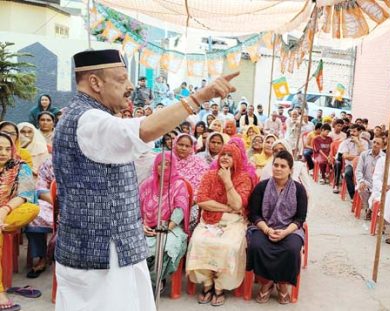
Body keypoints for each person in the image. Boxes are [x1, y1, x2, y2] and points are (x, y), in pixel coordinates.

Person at [53, 49, 238, 311]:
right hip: (101, 255)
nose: (130, 87)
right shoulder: (89, 119)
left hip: (110, 249)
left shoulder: (85, 115)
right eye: (120, 80)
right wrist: (201, 96)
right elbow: (145, 129)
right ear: (95, 83)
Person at [187, 143, 252, 306]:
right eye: (223, 154)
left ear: (236, 158)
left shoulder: (244, 177)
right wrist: (227, 208)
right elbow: (202, 200)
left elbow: (238, 205)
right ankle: (207, 283)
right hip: (209, 219)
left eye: (230, 155)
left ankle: (220, 286)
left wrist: (227, 180)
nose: (225, 157)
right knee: (199, 242)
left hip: (234, 222)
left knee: (229, 246)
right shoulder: (209, 175)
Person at [247, 151, 307, 304]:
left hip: (289, 229)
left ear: (290, 169)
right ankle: (266, 282)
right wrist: (267, 230)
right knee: (257, 246)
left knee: (292, 249)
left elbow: (300, 218)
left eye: (283, 166)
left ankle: (282, 284)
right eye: (276, 165)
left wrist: (285, 232)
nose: (278, 169)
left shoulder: (299, 190)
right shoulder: (262, 187)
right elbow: (253, 215)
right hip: (264, 226)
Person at [139, 151, 191, 289]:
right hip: (147, 227)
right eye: (159, 164)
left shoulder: (179, 184)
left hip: (170, 228)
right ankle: (143, 282)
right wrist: (141, 226)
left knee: (167, 248)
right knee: (138, 247)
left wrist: (166, 227)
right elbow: (136, 209)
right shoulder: (147, 184)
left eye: (167, 164)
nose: (163, 167)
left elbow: (180, 210)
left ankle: (155, 281)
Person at [0, 132, 40, 310]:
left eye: (8, 148)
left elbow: (26, 194)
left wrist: (4, 210)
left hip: (9, 212)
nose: (3, 152)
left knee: (33, 208)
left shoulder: (20, 166)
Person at [334, 125, 368, 197]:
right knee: (347, 173)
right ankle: (353, 195)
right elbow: (346, 156)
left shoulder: (365, 143)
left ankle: (364, 195)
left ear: (360, 132)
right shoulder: (346, 142)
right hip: (350, 164)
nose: (352, 133)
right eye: (351, 131)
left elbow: (365, 156)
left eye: (354, 131)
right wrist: (358, 157)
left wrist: (358, 143)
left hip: (362, 166)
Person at [355, 136, 384, 215]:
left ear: (382, 146)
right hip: (366, 181)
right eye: (374, 142)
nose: (375, 145)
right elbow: (358, 170)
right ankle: (368, 208)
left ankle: (373, 210)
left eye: (378, 143)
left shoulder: (384, 158)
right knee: (361, 188)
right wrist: (361, 181)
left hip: (378, 184)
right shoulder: (364, 154)